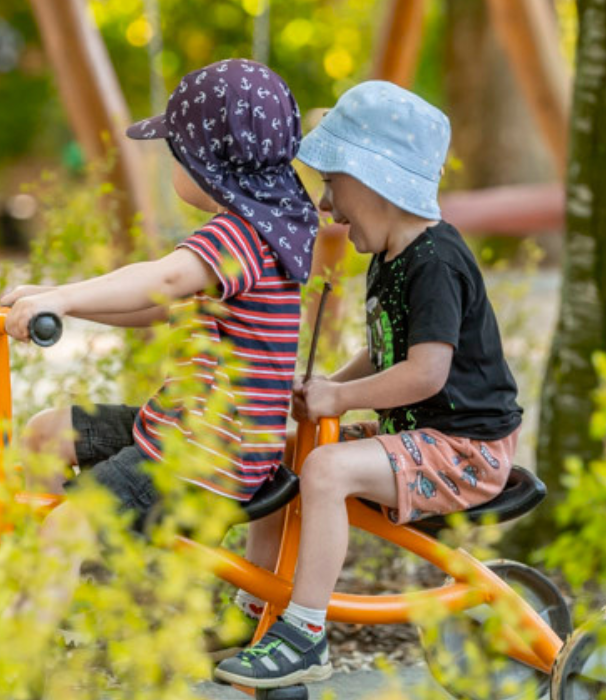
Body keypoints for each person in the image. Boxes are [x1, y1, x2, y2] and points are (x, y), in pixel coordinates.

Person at [214, 81, 524, 689]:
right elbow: (386, 349)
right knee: (284, 452)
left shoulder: (435, 261)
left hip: (467, 450)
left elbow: (426, 372)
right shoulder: (392, 257)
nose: (326, 204)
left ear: (375, 179)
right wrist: (330, 383)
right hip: (425, 439)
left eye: (332, 183)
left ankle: (304, 632)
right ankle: (257, 605)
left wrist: (341, 398)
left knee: (327, 470)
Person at [1, 58, 319, 531]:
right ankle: (70, 564)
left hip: (209, 456)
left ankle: (59, 564)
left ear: (206, 160)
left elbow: (161, 281)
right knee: (45, 434)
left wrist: (61, 300)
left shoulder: (240, 235)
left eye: (176, 151)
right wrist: (58, 297)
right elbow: (157, 305)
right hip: (182, 429)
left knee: (66, 527)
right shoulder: (254, 231)